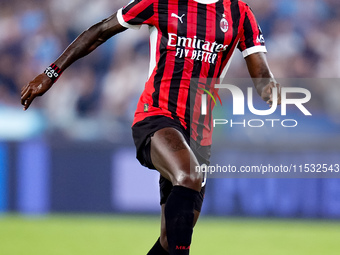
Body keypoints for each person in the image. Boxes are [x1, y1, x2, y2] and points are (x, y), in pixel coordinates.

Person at [21, 0, 281, 254]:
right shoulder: (159, 3)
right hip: (157, 115)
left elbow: (261, 73)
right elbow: (99, 32)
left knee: (171, 239)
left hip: (199, 132)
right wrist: (51, 73)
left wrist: (269, 89)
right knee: (189, 176)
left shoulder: (240, 13)